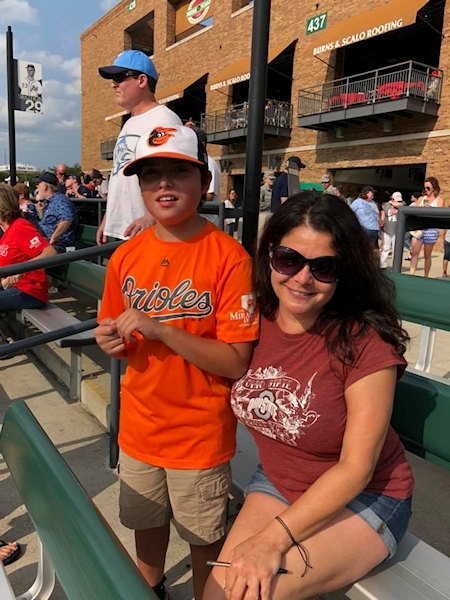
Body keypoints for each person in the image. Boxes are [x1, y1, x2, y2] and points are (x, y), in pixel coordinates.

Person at [204, 191, 413, 600]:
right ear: (268, 256)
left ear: (344, 270)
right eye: (289, 259)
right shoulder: (252, 319)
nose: (302, 278)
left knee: (248, 594)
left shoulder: (365, 343)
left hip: (367, 496)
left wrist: (273, 539)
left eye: (324, 267)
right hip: (280, 479)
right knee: (215, 593)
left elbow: (357, 468)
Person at [93, 124, 259, 600]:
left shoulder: (228, 257)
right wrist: (111, 342)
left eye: (177, 173)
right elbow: (110, 327)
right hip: (139, 426)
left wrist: (164, 329)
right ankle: (151, 588)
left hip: (199, 432)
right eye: (151, 176)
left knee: (203, 536)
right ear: (139, 187)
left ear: (203, 182)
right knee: (145, 525)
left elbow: (234, 362)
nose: (163, 185)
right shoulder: (127, 256)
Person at [96, 50, 182, 244]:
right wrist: (108, 219)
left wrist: (152, 217)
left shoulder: (164, 119)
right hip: (124, 230)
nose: (113, 84)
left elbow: (174, 176)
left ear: (142, 80)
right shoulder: (130, 122)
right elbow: (119, 177)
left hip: (148, 232)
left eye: (119, 77)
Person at [0, 183, 56, 312]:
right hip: (11, 287)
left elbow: (50, 252)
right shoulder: (5, 229)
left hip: (29, 291)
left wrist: (22, 270)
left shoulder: (19, 226)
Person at [409, 177, 444, 277]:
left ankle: (426, 276)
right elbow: (414, 212)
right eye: (425, 188)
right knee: (414, 251)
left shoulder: (439, 200)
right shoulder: (421, 199)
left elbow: (439, 215)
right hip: (419, 228)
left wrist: (430, 209)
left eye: (428, 188)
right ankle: (411, 274)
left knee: (427, 255)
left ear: (434, 188)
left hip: (431, 229)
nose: (426, 190)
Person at [33, 172, 77, 252]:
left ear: (45, 186)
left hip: (58, 246)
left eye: (38, 184)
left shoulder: (59, 200)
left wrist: (53, 238)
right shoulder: (51, 201)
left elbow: (67, 219)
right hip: (44, 241)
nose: (37, 186)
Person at [379, 191, 405, 269]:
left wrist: (394, 203)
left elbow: (401, 204)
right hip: (386, 230)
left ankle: (395, 266)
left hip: (397, 231)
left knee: (396, 250)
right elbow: (384, 214)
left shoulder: (403, 204)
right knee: (385, 248)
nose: (398, 201)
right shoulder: (387, 205)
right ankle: (383, 265)